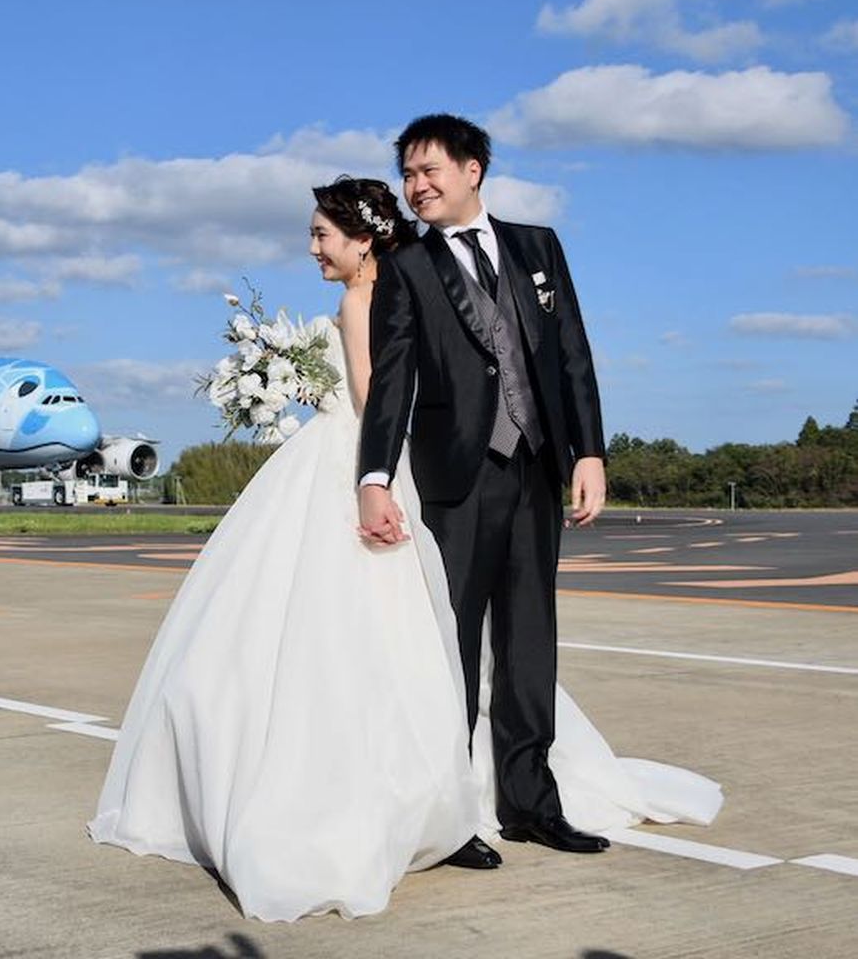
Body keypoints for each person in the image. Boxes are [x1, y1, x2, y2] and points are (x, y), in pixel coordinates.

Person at [89, 176, 720, 922]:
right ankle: (456, 791)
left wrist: (301, 388)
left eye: (322, 234)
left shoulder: (368, 298)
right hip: (363, 468)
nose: (312, 248)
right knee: (411, 639)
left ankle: (423, 793)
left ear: (362, 240)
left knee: (362, 637)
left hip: (362, 469)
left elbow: (371, 398)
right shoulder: (381, 290)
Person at [359, 113, 608, 864]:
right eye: (408, 174)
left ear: (473, 170)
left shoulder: (539, 247)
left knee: (531, 645)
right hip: (454, 479)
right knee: (453, 649)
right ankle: (452, 816)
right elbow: (392, 378)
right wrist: (374, 476)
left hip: (535, 470)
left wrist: (588, 453)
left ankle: (531, 805)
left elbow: (571, 354)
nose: (416, 186)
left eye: (429, 170)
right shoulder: (407, 267)